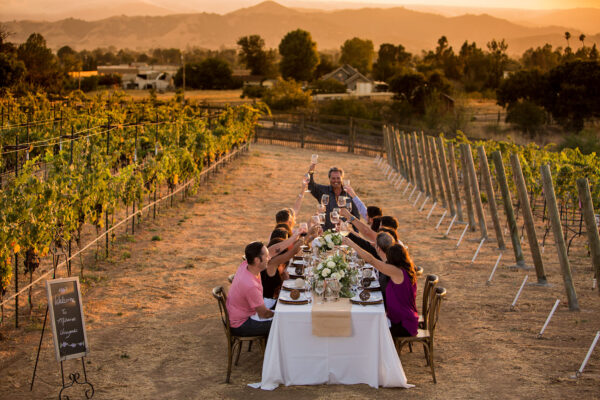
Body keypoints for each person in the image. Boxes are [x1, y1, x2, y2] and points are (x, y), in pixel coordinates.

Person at [343, 237, 418, 337]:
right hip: (403, 318)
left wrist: (352, 244)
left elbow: (372, 260)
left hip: (403, 324)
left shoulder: (396, 272)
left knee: (368, 329)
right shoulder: (405, 269)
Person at [226, 242, 274, 336]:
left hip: (240, 314)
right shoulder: (250, 286)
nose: (269, 258)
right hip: (241, 324)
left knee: (277, 306)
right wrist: (278, 314)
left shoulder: (245, 265)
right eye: (267, 256)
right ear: (256, 260)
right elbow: (263, 314)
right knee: (280, 323)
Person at [307, 165, 360, 230]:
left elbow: (356, 216)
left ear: (342, 178)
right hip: (325, 233)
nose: (336, 181)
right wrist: (311, 172)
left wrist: (356, 236)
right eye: (333, 178)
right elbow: (311, 186)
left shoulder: (348, 193)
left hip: (344, 234)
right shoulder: (323, 191)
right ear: (329, 178)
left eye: (338, 178)